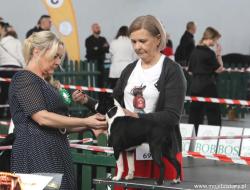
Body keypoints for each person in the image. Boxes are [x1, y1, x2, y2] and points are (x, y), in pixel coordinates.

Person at [73, 15, 187, 189]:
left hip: (160, 152)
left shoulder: (173, 71)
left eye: (142, 41)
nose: (137, 47)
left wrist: (136, 116)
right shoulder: (129, 69)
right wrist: (87, 100)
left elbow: (172, 116)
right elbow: (113, 104)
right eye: (133, 42)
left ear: (158, 39)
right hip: (130, 155)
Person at [8, 31, 107, 190]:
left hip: (55, 152)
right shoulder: (24, 78)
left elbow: (60, 125)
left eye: (60, 57)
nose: (58, 62)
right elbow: (42, 117)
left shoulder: (45, 83)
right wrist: (85, 121)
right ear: (37, 51)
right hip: (34, 154)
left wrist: (93, 124)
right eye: (55, 56)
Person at [188, 27, 224, 135]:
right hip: (208, 86)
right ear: (210, 38)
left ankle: (192, 139)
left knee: (195, 115)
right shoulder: (209, 53)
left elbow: (190, 71)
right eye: (216, 39)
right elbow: (220, 68)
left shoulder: (194, 51)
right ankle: (215, 139)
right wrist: (218, 54)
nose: (216, 42)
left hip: (195, 86)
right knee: (214, 115)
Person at [0, 22, 25, 118]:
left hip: (4, 69)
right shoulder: (17, 42)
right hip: (16, 69)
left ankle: (1, 113)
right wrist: (25, 67)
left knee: (4, 92)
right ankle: (12, 114)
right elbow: (21, 56)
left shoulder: (1, 42)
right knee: (14, 92)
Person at [85, 23, 109, 87]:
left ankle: (101, 96)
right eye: (97, 27)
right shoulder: (88, 40)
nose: (98, 29)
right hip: (92, 64)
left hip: (101, 63)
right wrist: (102, 48)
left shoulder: (103, 39)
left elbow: (107, 50)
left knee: (101, 81)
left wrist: (97, 48)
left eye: (99, 27)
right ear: (92, 29)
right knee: (92, 81)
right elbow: (91, 52)